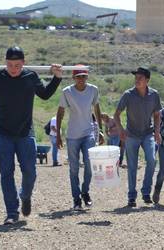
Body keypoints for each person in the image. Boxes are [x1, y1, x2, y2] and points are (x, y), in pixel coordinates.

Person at [0, 46, 62, 225]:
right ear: (5, 62)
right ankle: (12, 212)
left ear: (23, 63)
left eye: (17, 65)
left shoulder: (31, 77)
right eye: (10, 64)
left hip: (25, 133)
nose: (14, 68)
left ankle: (25, 195)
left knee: (30, 172)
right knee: (6, 173)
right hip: (2, 134)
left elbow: (44, 95)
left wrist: (57, 78)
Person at [56, 65, 104, 211]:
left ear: (87, 77)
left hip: (88, 132)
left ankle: (85, 192)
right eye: (78, 77)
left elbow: (96, 109)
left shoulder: (93, 90)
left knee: (90, 165)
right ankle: (76, 199)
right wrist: (58, 134)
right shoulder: (67, 92)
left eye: (83, 76)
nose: (81, 79)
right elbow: (60, 112)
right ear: (73, 78)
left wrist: (100, 130)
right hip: (72, 135)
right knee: (74, 169)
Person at [114, 66, 162, 207]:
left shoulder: (154, 95)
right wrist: (121, 129)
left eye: (140, 78)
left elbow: (157, 114)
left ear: (147, 80)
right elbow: (116, 114)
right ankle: (131, 197)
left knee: (152, 160)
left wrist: (157, 131)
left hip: (148, 133)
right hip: (131, 134)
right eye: (136, 78)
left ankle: (146, 192)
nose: (137, 80)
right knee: (132, 166)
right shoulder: (128, 95)